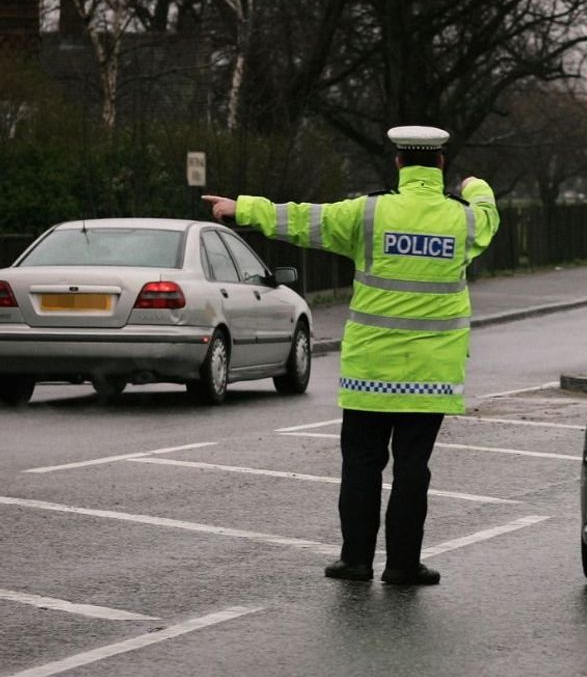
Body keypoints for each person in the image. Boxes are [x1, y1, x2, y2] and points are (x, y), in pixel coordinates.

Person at [202, 126, 499, 585]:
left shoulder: (368, 213)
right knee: (412, 471)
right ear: (440, 165)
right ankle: (402, 565)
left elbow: (302, 219)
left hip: (370, 373)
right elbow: (488, 212)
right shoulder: (464, 221)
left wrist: (243, 208)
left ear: (398, 164)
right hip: (431, 375)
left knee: (361, 466)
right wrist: (475, 185)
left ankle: (355, 561)